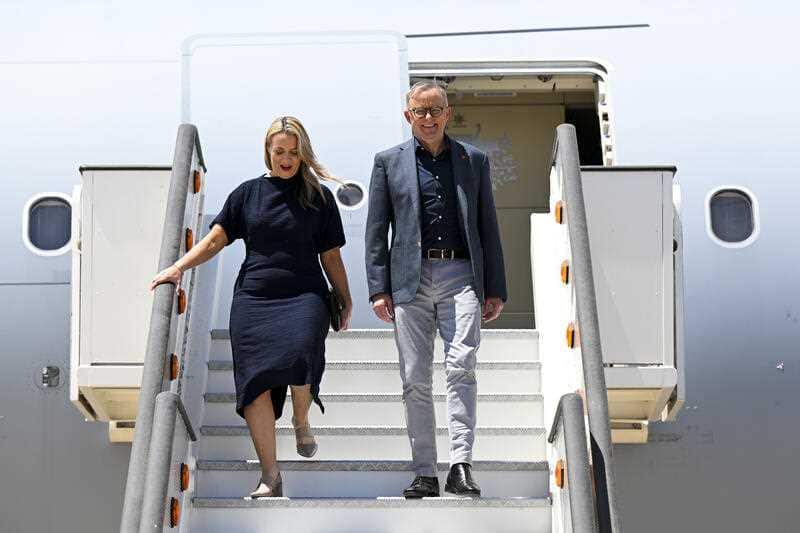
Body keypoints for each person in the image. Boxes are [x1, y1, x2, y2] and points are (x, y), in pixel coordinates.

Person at [150, 116, 352, 498]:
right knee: (255, 383)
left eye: (294, 152)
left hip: (305, 295)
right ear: (268, 152)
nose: (287, 159)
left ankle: (301, 418)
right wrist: (178, 268)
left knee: (301, 355)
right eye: (280, 151)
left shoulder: (319, 197)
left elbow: (331, 255)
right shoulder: (247, 194)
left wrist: (345, 296)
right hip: (254, 299)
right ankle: (270, 476)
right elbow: (215, 240)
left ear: (303, 154)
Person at [365, 82, 507, 498]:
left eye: (435, 110)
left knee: (461, 365)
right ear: (408, 115)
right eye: (420, 111)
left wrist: (494, 287)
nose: (428, 118)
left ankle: (460, 465)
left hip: (461, 275)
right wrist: (378, 288)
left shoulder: (473, 159)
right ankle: (425, 471)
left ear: (448, 113)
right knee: (415, 377)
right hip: (409, 279)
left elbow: (487, 225)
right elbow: (376, 230)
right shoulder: (388, 162)